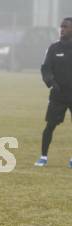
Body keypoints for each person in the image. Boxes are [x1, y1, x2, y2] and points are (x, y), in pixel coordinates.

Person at [35, 18, 72, 168]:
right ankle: (43, 156)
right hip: (58, 95)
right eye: (61, 26)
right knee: (50, 126)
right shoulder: (54, 48)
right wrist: (51, 82)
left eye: (66, 27)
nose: (62, 29)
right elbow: (45, 68)